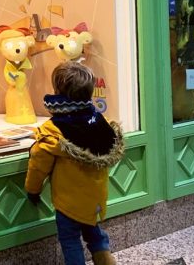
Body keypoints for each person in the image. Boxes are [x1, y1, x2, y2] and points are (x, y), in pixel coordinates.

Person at [24, 62, 125, 265]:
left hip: (68, 203)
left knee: (70, 241)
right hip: (94, 200)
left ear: (58, 91)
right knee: (95, 235)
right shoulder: (100, 121)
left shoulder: (53, 130)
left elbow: (38, 163)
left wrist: (32, 190)